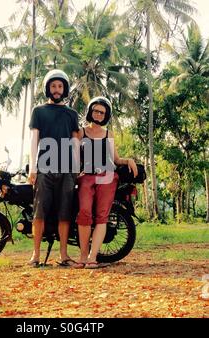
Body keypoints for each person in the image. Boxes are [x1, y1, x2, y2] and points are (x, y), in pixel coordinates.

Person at [76, 96, 138, 269]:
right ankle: (82, 257)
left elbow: (116, 159)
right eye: (95, 111)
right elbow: (73, 156)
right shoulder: (81, 132)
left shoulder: (108, 134)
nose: (98, 114)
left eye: (102, 112)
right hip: (86, 177)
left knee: (102, 216)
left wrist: (128, 161)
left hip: (107, 177)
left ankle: (92, 258)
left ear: (106, 115)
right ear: (90, 111)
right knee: (84, 213)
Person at [27, 69, 80, 267]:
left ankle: (64, 255)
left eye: (60, 86)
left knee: (65, 212)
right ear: (48, 88)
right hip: (44, 169)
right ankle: (36, 255)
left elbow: (75, 143)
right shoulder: (38, 111)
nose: (56, 90)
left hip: (67, 171)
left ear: (64, 89)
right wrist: (33, 168)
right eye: (53, 86)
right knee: (39, 212)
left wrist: (75, 170)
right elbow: (34, 140)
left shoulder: (72, 114)